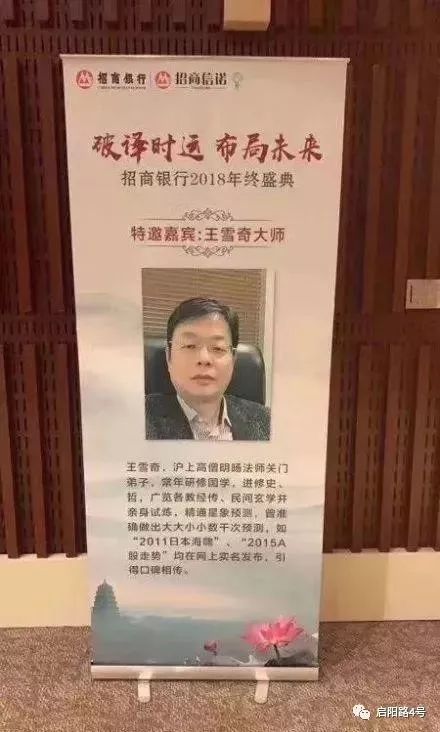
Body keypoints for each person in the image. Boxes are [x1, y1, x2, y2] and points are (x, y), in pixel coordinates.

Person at [145, 297, 270, 440]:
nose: (204, 359)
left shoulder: (267, 422)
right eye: (190, 346)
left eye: (217, 348)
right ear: (169, 356)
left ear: (233, 359)